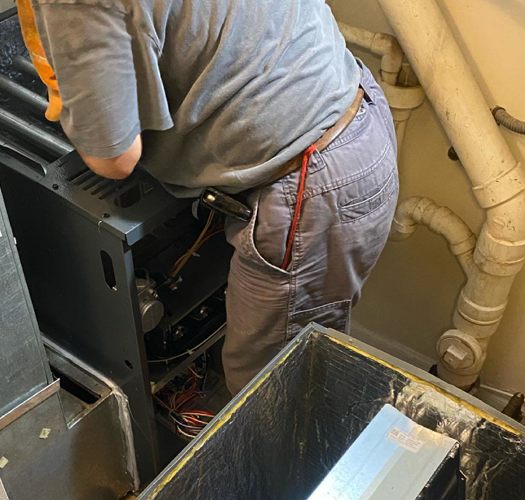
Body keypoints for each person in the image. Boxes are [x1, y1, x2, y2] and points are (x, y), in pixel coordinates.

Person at [31, 0, 399, 393]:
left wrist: (75, 96)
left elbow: (115, 158)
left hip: (311, 180)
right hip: (354, 109)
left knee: (271, 396)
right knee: (304, 373)